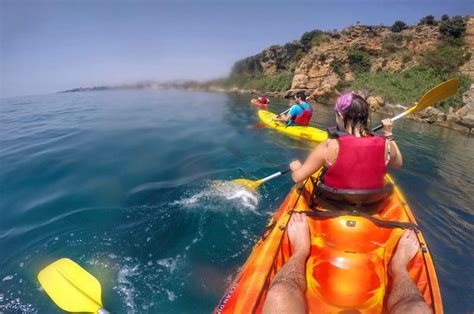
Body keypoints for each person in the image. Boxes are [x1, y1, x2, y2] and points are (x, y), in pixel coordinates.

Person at [262, 213, 430, 314]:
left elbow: (299, 176)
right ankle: (398, 266)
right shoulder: (387, 152)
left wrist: (297, 167)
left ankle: (301, 250)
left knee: (280, 292)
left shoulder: (326, 151)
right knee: (417, 309)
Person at [289, 92, 403, 191]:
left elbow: (297, 177)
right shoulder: (385, 144)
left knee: (298, 173)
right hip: (372, 206)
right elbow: (398, 163)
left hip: (332, 206)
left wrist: (296, 167)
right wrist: (388, 134)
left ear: (340, 115)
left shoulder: (329, 146)